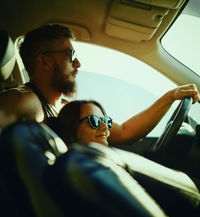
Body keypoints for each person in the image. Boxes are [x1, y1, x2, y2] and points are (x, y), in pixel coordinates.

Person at [0, 24, 199, 145]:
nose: (77, 63)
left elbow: (125, 133)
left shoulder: (65, 109)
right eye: (69, 55)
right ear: (44, 61)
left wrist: (171, 96)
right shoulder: (23, 100)